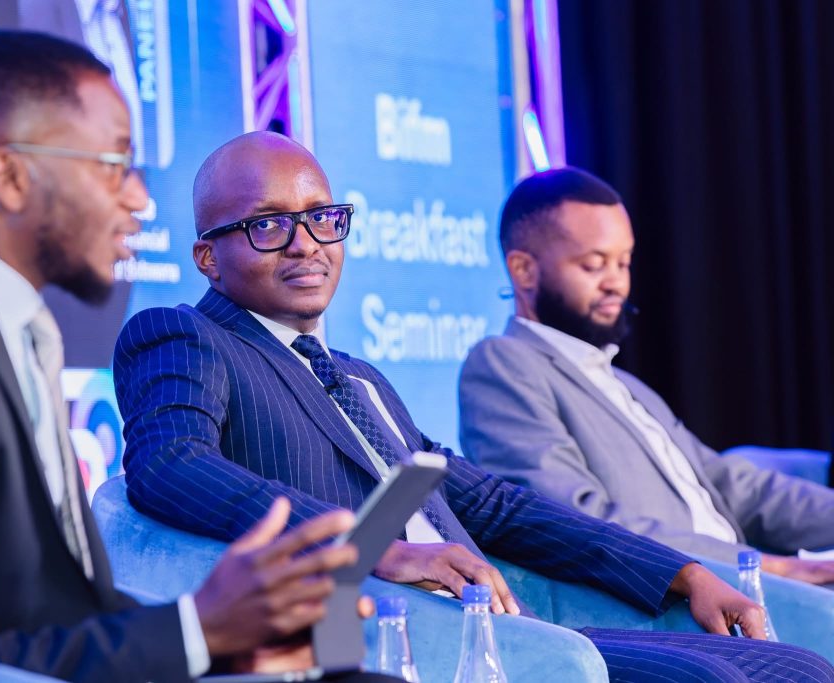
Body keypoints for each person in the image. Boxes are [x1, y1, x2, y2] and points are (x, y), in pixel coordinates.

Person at [113, 131, 834, 682]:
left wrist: (682, 571)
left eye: (323, 218)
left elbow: (496, 505)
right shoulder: (185, 335)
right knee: (712, 679)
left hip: (507, 631)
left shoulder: (359, 378)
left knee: (795, 668)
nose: (307, 245)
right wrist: (373, 548)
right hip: (399, 642)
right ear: (208, 257)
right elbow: (171, 464)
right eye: (268, 225)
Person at [0, 31, 396, 683]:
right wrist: (198, 629)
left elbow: (56, 614)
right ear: (9, 177)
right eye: (113, 165)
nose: (139, 198)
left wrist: (226, 649)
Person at [457, 166, 834, 586]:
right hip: (669, 597)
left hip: (739, 585)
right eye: (594, 265)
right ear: (524, 270)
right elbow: (574, 518)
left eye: (623, 262)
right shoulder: (503, 365)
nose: (617, 283)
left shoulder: (626, 386)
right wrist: (768, 566)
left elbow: (733, 485)